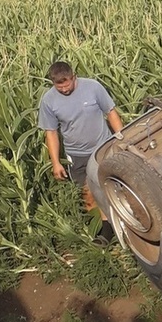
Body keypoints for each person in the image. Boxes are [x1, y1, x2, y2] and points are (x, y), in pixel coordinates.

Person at [38, 61, 123, 214]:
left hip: (103, 148)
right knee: (87, 194)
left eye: (67, 85)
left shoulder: (93, 87)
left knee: (112, 187)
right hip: (76, 155)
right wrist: (56, 163)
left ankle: (118, 225)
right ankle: (98, 231)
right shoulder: (48, 100)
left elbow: (110, 112)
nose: (64, 89)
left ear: (74, 77)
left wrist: (122, 138)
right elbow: (51, 133)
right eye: (59, 87)